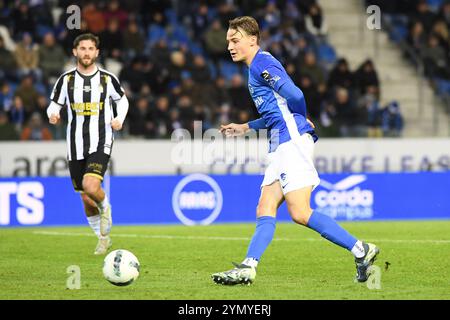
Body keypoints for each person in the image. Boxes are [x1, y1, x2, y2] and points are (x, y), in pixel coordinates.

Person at [212, 16, 379, 285]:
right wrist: (245, 127)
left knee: (300, 213)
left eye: (235, 40)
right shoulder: (254, 68)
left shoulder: (262, 64)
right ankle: (248, 266)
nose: (230, 46)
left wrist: (302, 118)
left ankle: (361, 250)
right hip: (279, 144)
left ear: (253, 40)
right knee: (265, 206)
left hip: (291, 142)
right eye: (228, 41)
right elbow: (275, 113)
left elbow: (296, 96)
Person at [47, 33, 129, 255]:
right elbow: (54, 104)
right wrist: (53, 114)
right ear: (75, 52)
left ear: (97, 52)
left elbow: (122, 100)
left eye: (90, 48)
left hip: (101, 140)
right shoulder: (66, 80)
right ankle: (102, 238)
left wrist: (119, 119)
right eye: (82, 48)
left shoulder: (107, 79)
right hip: (75, 144)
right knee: (85, 196)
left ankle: (106, 208)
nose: (86, 52)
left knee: (91, 186)